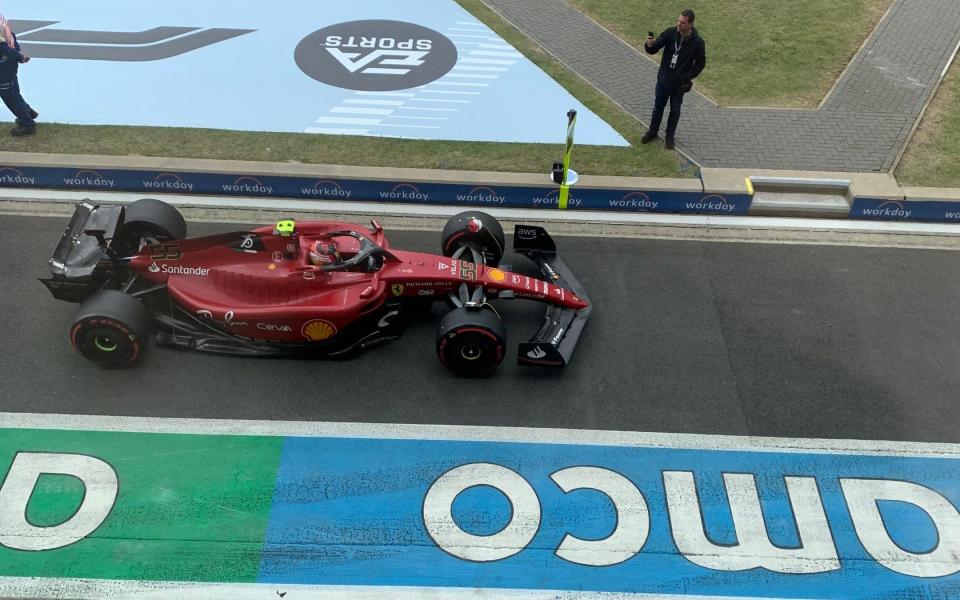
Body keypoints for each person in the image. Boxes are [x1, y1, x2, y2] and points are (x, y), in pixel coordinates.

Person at [641, 9, 706, 150]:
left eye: (683, 22)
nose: (679, 24)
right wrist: (649, 44)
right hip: (663, 81)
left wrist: (687, 77)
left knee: (675, 110)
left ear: (691, 24)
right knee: (658, 107)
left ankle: (669, 137)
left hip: (679, 85)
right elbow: (653, 49)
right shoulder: (671, 32)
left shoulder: (697, 42)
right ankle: (653, 131)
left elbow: (700, 64)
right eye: (679, 20)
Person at [0, 16, 38, 137]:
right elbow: (12, 36)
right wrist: (19, 55)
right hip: (9, 67)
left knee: (11, 98)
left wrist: (19, 57)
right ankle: (27, 111)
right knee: (14, 93)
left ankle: (28, 124)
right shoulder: (2, 22)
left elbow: (4, 48)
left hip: (3, 71)